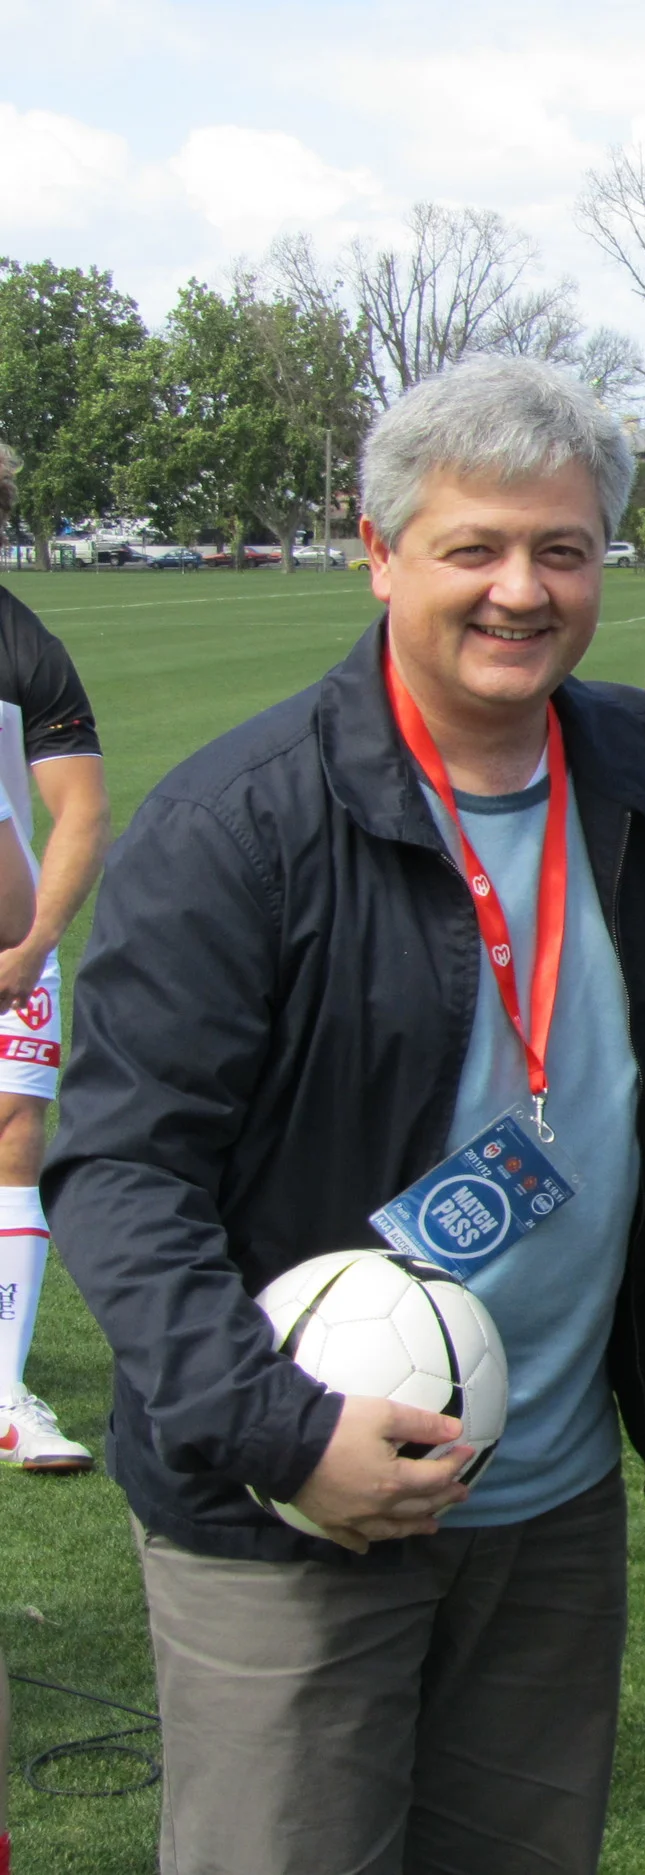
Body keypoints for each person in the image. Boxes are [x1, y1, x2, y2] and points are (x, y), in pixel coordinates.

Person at [46, 356, 645, 1875]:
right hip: (289, 1508)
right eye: (472, 547)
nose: (520, 590)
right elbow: (117, 1166)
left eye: (560, 548)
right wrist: (287, 1435)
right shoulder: (242, 825)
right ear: (381, 553)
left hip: (544, 1496)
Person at [0, 443, 111, 1474]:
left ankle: (2, 1391)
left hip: (4, 949)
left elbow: (78, 805)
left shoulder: (22, 646)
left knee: (12, 1137)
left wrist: (36, 944)